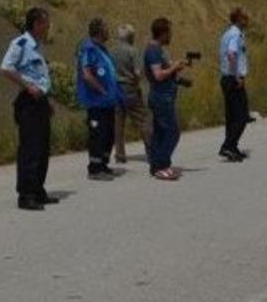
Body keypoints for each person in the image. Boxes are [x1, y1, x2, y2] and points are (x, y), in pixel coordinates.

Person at [0, 7, 55, 211]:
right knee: (30, 149)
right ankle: (26, 195)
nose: (48, 27)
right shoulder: (21, 44)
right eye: (45, 23)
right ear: (36, 24)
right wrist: (27, 86)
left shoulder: (38, 46)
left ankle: (38, 189)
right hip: (28, 102)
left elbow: (41, 76)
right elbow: (6, 68)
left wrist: (47, 102)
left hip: (40, 101)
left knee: (42, 148)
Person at [76, 17, 124, 181]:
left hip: (107, 102)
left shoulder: (102, 49)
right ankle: (95, 169)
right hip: (96, 102)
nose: (108, 31)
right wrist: (102, 90)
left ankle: (103, 164)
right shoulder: (88, 49)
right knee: (97, 134)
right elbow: (87, 75)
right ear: (99, 30)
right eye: (106, 28)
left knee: (108, 134)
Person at [144, 17, 188, 181]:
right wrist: (174, 67)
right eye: (169, 32)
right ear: (162, 33)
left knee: (161, 133)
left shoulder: (159, 50)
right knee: (172, 131)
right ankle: (161, 165)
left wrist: (175, 68)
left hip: (165, 95)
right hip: (161, 96)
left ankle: (157, 165)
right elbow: (158, 75)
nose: (171, 36)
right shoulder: (153, 51)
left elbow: (164, 71)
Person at [111, 23, 152, 164]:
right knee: (143, 119)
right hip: (130, 88)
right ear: (130, 37)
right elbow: (138, 72)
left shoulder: (112, 52)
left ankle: (120, 154)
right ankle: (151, 150)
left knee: (118, 123)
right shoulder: (132, 51)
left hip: (116, 89)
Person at [219, 8, 251, 162]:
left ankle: (232, 146)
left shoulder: (227, 33)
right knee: (242, 115)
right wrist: (237, 76)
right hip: (233, 79)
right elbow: (232, 55)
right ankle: (228, 145)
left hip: (227, 78)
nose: (247, 21)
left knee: (232, 116)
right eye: (245, 18)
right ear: (239, 19)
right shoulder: (235, 35)